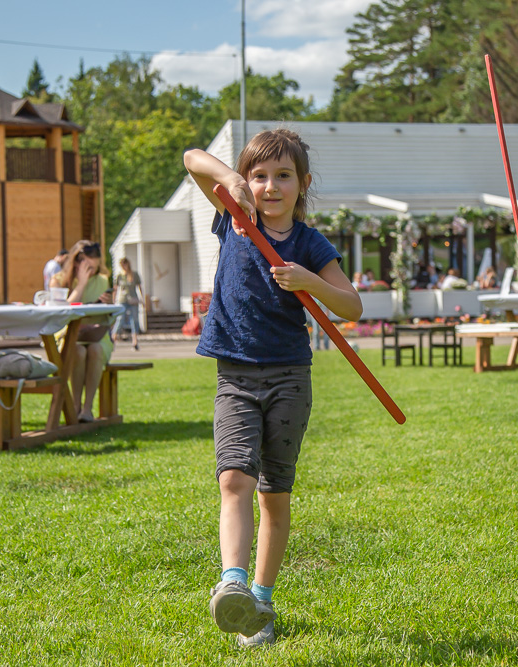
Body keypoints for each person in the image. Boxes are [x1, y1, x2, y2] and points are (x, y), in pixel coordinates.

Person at [183, 129, 362, 646]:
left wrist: (312, 282)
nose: (270, 186)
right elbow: (191, 158)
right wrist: (229, 180)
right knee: (233, 478)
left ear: (302, 184)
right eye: (260, 176)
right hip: (234, 377)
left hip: (288, 378)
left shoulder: (310, 243)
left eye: (283, 175)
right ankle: (232, 582)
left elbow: (351, 307)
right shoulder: (233, 219)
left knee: (273, 495)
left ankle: (259, 602)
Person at [49, 241, 113, 423]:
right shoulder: (59, 280)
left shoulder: (102, 280)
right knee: (78, 351)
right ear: (76, 261)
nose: (92, 271)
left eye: (95, 266)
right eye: (88, 265)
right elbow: (61, 312)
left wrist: (108, 305)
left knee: (95, 350)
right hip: (69, 337)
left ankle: (87, 408)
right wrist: (81, 284)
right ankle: (75, 406)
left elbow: (108, 317)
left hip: (96, 335)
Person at [112, 257, 144, 351]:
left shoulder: (134, 275)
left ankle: (135, 342)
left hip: (133, 299)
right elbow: (115, 288)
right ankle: (113, 339)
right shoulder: (119, 275)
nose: (124, 267)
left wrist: (141, 299)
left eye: (125, 264)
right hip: (122, 300)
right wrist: (114, 300)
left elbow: (139, 287)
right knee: (120, 319)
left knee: (134, 320)